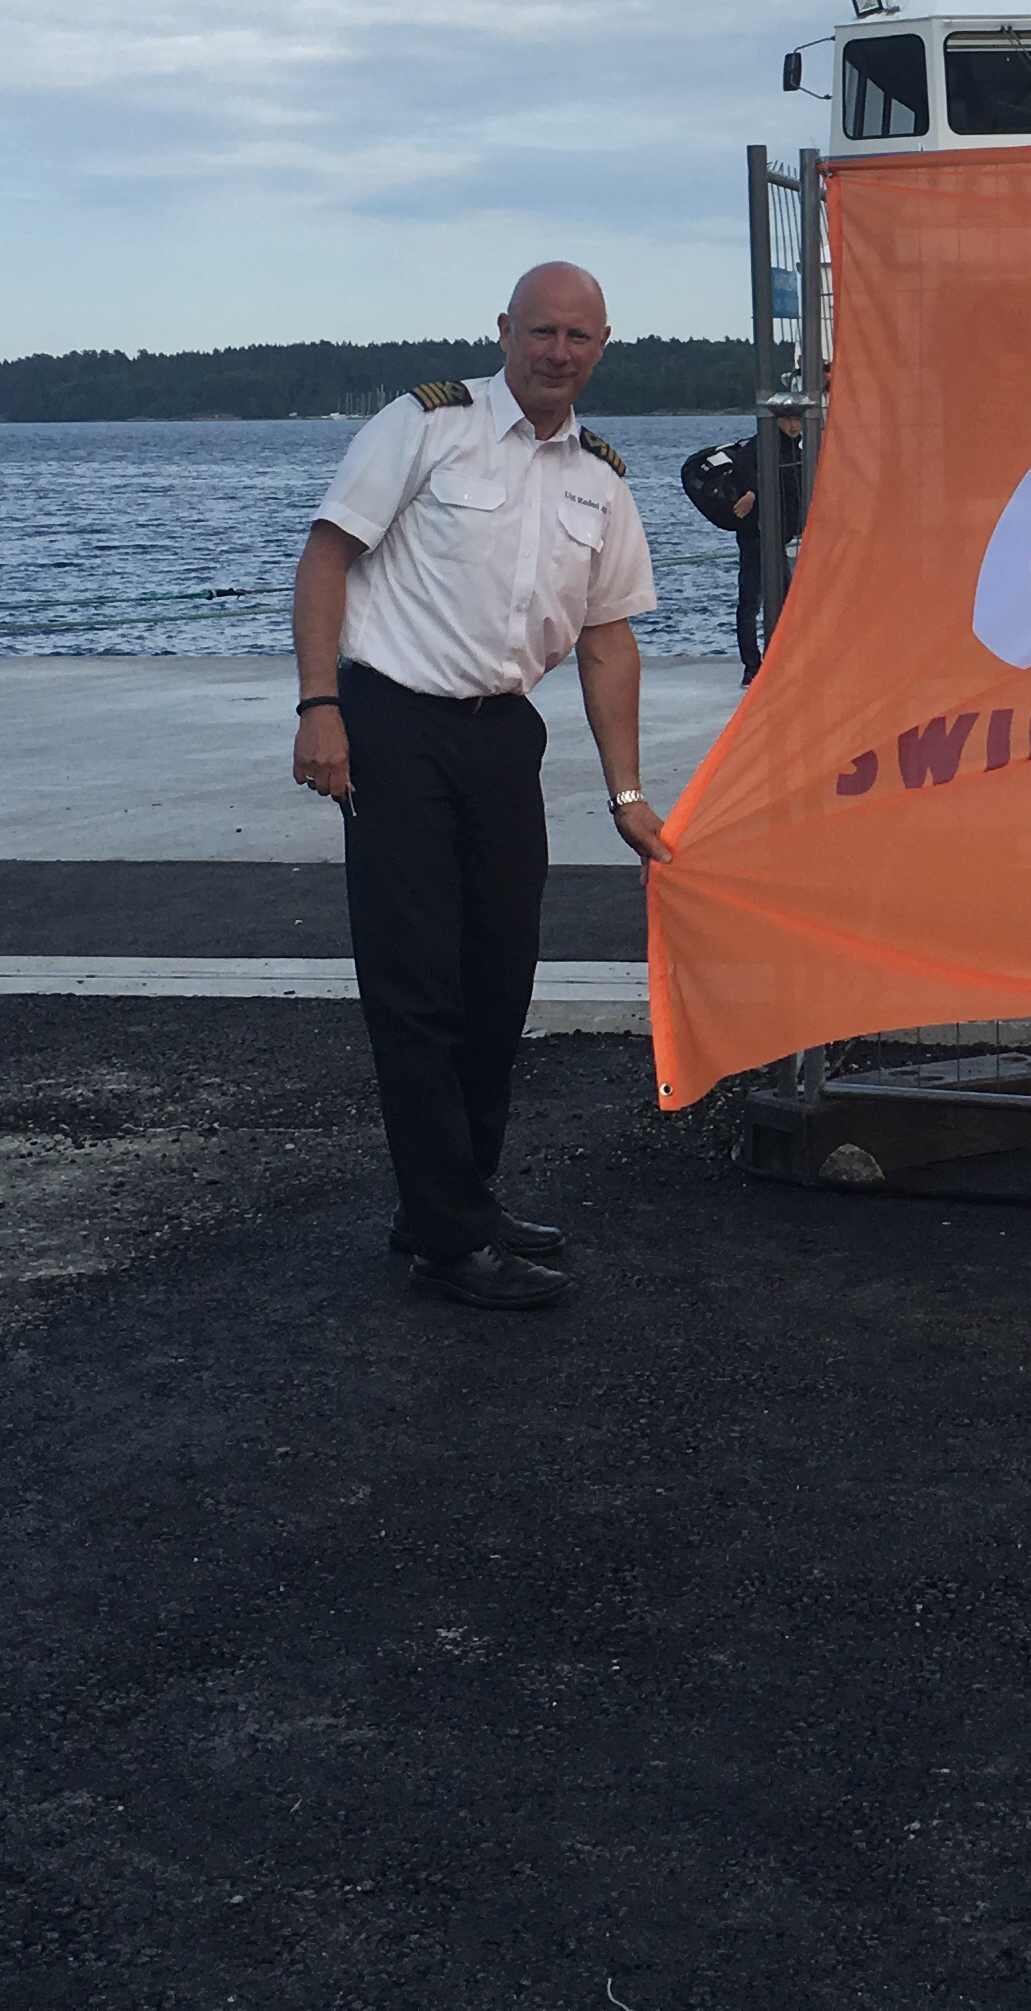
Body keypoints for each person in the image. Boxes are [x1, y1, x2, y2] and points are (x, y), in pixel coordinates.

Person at [290, 262, 670, 1312]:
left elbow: (607, 643)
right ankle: (449, 1243)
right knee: (416, 987)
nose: (558, 352)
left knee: (499, 981)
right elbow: (325, 558)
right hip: (394, 724)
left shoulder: (601, 479)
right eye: (541, 331)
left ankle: (452, 1199)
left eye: (578, 337)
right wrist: (319, 706)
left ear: (602, 348)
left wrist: (628, 795)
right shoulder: (427, 427)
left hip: (502, 737)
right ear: (504, 332)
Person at [678, 410, 811, 680]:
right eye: (787, 420)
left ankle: (777, 658)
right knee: (752, 600)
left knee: (781, 598)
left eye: (797, 420)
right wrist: (751, 492)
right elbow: (743, 467)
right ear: (777, 421)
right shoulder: (760, 447)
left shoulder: (794, 450)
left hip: (777, 536)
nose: (793, 425)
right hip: (756, 534)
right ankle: (753, 665)